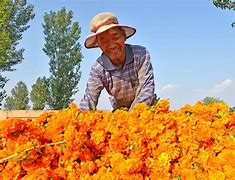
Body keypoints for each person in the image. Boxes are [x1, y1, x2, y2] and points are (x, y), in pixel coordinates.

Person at [79, 12, 157, 111]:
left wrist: (132, 116)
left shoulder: (140, 54)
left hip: (146, 108)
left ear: (123, 35)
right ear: (98, 44)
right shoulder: (98, 68)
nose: (111, 45)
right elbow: (89, 98)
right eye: (104, 41)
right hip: (121, 111)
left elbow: (146, 88)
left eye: (115, 37)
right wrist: (78, 121)